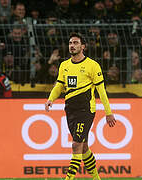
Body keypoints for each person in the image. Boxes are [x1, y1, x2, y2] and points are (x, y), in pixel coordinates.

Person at [44, 32, 116, 180]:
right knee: (83, 148)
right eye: (70, 43)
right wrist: (51, 98)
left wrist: (108, 113)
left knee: (76, 145)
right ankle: (96, 179)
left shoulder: (92, 65)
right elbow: (59, 85)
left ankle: (69, 178)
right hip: (70, 109)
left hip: (86, 110)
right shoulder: (64, 65)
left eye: (76, 43)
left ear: (83, 46)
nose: (72, 45)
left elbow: (101, 91)